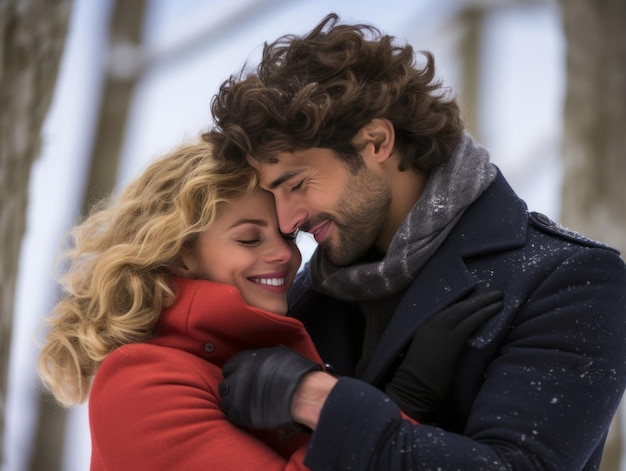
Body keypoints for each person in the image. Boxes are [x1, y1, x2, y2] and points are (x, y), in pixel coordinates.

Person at [204, 13, 626, 471]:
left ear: (376, 141)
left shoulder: (569, 281)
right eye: (273, 196)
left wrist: (319, 399)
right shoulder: (308, 295)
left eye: (298, 183)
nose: (287, 222)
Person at [37, 139, 501, 470]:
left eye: (287, 235)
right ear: (179, 249)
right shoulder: (142, 380)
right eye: (248, 237)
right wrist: (401, 400)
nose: (284, 254)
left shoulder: (272, 345)